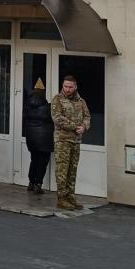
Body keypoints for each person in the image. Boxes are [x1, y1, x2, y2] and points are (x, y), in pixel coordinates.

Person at [51, 75, 91, 210]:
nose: (67, 89)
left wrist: (84, 126)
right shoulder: (58, 99)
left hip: (76, 141)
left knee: (72, 170)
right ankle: (61, 199)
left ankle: (70, 197)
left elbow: (87, 116)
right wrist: (75, 127)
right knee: (62, 169)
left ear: (75, 87)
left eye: (70, 87)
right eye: (65, 86)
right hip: (62, 140)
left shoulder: (81, 101)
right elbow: (57, 118)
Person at [23, 78, 54, 195]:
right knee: (42, 161)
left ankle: (31, 182)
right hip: (44, 139)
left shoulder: (27, 105)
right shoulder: (48, 107)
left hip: (31, 138)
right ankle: (38, 184)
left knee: (34, 159)